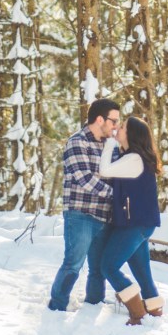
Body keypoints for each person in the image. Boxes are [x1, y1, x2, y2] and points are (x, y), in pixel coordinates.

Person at [47, 98, 121, 311]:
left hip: (104, 215)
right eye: (113, 121)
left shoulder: (109, 146)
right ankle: (57, 305)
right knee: (73, 264)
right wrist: (115, 195)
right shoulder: (77, 141)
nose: (116, 126)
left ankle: (94, 304)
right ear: (100, 119)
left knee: (98, 268)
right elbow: (84, 178)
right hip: (80, 215)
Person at [99, 116, 164, 325]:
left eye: (123, 127)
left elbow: (104, 170)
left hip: (136, 223)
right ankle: (154, 308)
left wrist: (109, 141)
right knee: (141, 269)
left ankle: (137, 311)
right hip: (139, 222)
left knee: (108, 266)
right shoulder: (131, 157)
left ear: (132, 134)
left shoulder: (134, 159)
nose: (118, 128)